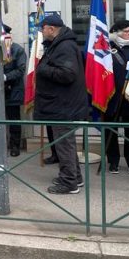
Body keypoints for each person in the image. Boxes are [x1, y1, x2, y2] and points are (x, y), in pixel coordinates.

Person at [34, 14, 88, 195]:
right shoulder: (60, 44)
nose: (41, 32)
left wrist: (43, 69)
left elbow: (67, 74)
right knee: (66, 143)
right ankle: (75, 177)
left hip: (63, 105)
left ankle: (69, 183)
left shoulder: (64, 46)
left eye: (43, 28)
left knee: (64, 144)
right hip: (60, 104)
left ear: (51, 28)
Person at [104, 20, 129, 174]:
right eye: (127, 31)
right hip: (111, 96)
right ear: (117, 33)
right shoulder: (107, 48)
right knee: (111, 130)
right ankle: (113, 161)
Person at [3, 25, 27, 158]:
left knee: (14, 120)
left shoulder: (17, 49)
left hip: (13, 90)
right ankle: (1, 144)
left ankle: (15, 146)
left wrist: (6, 77)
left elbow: (21, 69)